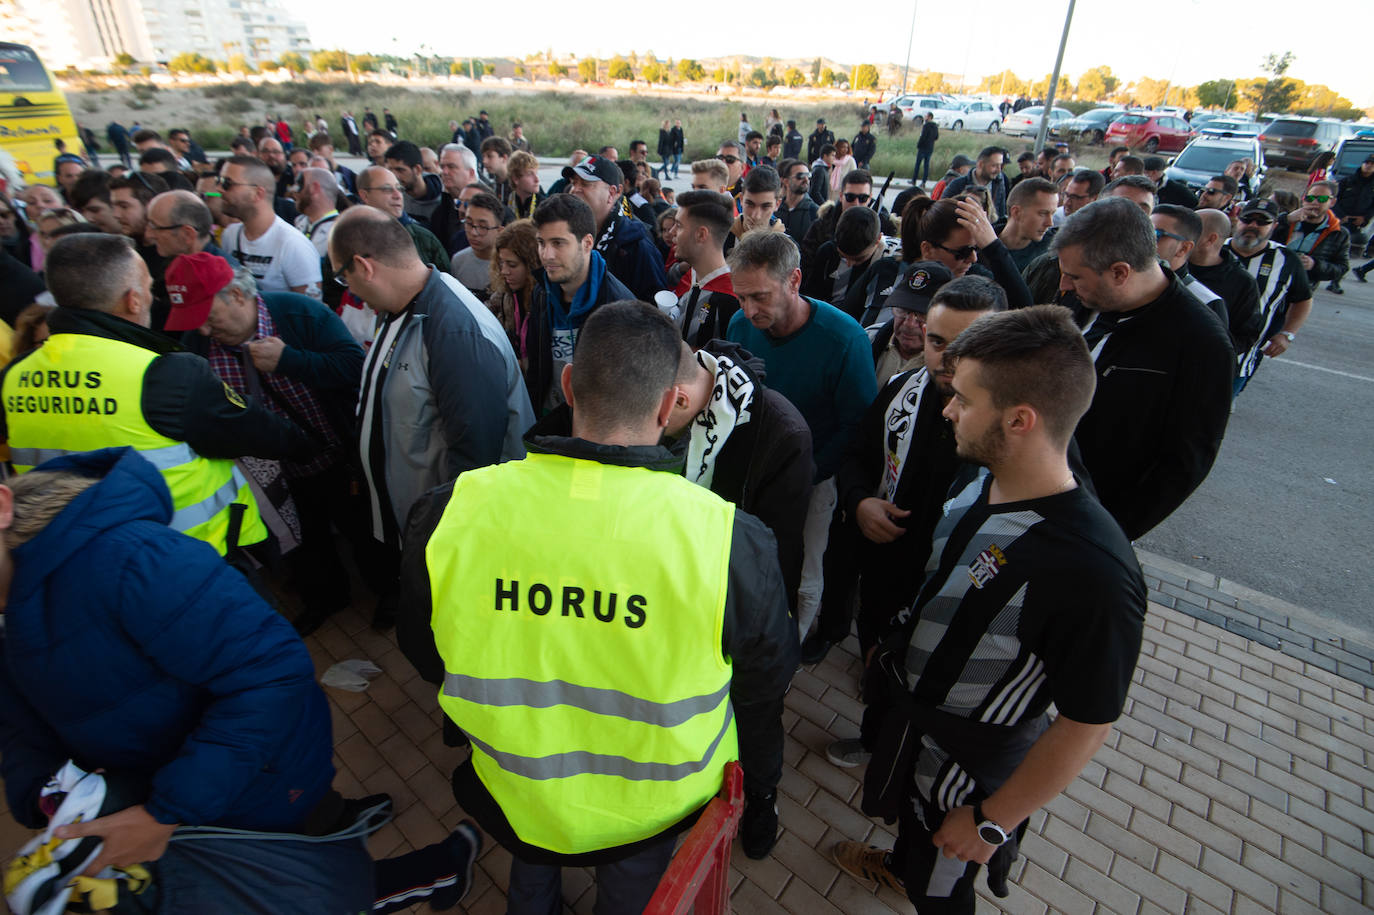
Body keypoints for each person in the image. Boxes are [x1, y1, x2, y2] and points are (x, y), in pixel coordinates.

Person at [395, 302, 798, 908]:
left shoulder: (450, 511)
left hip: (516, 786)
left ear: (567, 385)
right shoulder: (730, 540)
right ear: (669, 405)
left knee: (532, 869)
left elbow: (424, 652)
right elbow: (766, 681)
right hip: (651, 808)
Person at [832, 305, 1145, 915]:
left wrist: (991, 822)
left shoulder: (1092, 571)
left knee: (945, 894)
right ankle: (900, 867)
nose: (946, 408)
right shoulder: (980, 478)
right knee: (918, 844)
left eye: (965, 400)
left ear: (1021, 419)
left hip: (968, 779)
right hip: (919, 743)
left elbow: (1087, 722)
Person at [0, 234, 311, 557]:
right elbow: (256, 431)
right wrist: (304, 446)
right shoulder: (163, 374)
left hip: (75, 558)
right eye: (148, 288)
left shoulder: (16, 374)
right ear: (133, 300)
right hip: (185, 558)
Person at [331, 207, 529, 626]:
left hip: (447, 533)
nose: (345, 287)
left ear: (364, 266)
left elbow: (477, 459)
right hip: (420, 521)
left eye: (342, 275)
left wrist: (449, 545)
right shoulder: (405, 306)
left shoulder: (453, 329)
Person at [804, 271, 1002, 682]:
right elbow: (859, 452)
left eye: (968, 347)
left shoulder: (1012, 429)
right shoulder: (902, 390)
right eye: (938, 342)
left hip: (949, 590)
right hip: (883, 570)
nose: (948, 359)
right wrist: (859, 500)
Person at [163, 254, 366, 634]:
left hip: (337, 458)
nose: (204, 331)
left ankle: (384, 593)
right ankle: (324, 600)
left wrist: (290, 360)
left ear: (238, 295)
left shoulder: (299, 313)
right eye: (196, 323)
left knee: (361, 532)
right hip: (272, 477)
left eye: (209, 318)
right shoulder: (195, 347)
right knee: (307, 544)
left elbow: (355, 368)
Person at [726, 229, 878, 639]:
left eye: (759, 296)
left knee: (806, 568)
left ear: (794, 280)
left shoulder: (844, 339)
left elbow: (857, 426)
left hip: (814, 477)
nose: (748, 309)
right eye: (741, 297)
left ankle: (790, 650)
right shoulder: (739, 324)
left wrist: (806, 472)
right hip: (753, 472)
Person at [1053, 197, 1234, 539]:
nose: (1064, 286)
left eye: (1074, 276)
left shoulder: (1201, 344)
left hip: (1088, 522)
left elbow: (1183, 463)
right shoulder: (1089, 300)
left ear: (1120, 272)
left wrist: (1108, 533)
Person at [523, 194, 635, 412]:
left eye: (558, 243)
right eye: (541, 243)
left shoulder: (619, 305)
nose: (547, 255)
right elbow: (536, 370)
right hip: (547, 425)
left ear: (587, 243)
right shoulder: (541, 293)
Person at [1226, 198, 1313, 396]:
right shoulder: (1214, 249)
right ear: (1237, 219)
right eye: (1248, 219)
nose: (1253, 226)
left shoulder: (1286, 260)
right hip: (1195, 351)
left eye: (1262, 222)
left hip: (1242, 359)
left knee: (1211, 418)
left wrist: (1287, 334)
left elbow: (1303, 299)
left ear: (1274, 226)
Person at [565, 155, 669, 301]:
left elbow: (653, 313)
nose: (575, 190)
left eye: (585, 183)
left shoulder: (637, 246)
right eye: (574, 182)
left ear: (613, 193)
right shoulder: (568, 235)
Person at [219, 155, 322, 299]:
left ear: (258, 193)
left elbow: (310, 312)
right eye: (220, 181)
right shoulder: (229, 235)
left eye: (226, 183)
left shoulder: (294, 245)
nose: (220, 189)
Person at [902, 196, 1032, 309]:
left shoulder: (975, 278)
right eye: (962, 252)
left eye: (976, 249)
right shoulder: (891, 273)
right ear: (927, 249)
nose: (973, 258)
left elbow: (1023, 310)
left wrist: (994, 246)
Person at [1188, 208, 1262, 360]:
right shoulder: (1172, 266)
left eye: (1191, 230)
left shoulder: (1242, 282)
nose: (1182, 235)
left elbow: (1246, 334)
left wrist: (1210, 355)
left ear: (1210, 239)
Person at [670, 190, 740, 348]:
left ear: (701, 234)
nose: (671, 232)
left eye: (679, 226)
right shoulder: (691, 278)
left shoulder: (733, 299)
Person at [356, 165, 452, 274]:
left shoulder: (424, 239)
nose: (397, 195)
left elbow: (444, 284)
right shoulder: (348, 237)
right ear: (364, 195)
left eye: (399, 189)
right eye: (387, 189)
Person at [1276, 179, 1349, 294]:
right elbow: (1259, 239)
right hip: (1272, 280)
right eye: (1310, 198)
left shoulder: (1338, 233)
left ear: (1332, 202)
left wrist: (1315, 265)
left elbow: (1341, 268)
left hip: (1302, 289)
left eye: (1322, 199)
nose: (1314, 203)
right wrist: (1285, 220)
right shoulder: (1286, 221)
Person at [487, 219, 540, 372]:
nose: (504, 271)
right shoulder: (504, 296)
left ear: (532, 264)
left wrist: (521, 365)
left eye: (512, 265)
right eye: (501, 263)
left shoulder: (546, 301)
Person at [450, 191, 507, 299]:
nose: (473, 232)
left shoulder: (507, 266)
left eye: (483, 227)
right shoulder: (458, 261)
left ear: (500, 231)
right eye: (469, 223)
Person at [998, 177, 1059, 271]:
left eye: (1052, 214)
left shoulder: (1053, 251)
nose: (1050, 223)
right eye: (1043, 213)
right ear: (1016, 212)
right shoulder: (979, 247)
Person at [433, 143, 481, 256]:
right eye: (442, 166)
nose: (444, 172)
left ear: (471, 173)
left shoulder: (494, 209)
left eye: (451, 167)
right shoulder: (440, 211)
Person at [384, 140, 444, 228]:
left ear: (417, 169)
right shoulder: (389, 197)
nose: (394, 176)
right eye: (390, 170)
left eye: (400, 170)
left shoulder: (445, 198)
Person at [942, 146, 1010, 221]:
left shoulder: (999, 184)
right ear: (980, 164)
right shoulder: (957, 184)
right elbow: (941, 211)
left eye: (1000, 165)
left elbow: (1001, 215)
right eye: (994, 165)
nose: (999, 170)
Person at [289, 167, 341, 258]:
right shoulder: (299, 222)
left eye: (299, 187)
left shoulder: (340, 230)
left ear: (314, 188)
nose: (294, 193)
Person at [1336, 155, 1374, 276]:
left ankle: (1336, 280)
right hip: (1340, 221)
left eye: (1372, 164)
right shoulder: (1347, 180)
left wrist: (1365, 218)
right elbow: (1334, 200)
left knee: (1346, 252)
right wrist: (1340, 215)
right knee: (1334, 248)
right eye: (1367, 162)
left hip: (1357, 223)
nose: (1368, 166)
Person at [774, 158, 820, 243]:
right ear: (786, 181)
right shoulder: (775, 209)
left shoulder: (815, 212)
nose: (806, 180)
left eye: (808, 176)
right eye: (800, 176)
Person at [480, 136, 514, 205]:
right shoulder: (491, 186)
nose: (484, 161)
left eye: (490, 156)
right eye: (483, 156)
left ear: (504, 158)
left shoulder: (517, 186)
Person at [914, 114, 938, 186]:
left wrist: (919, 145)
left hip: (923, 148)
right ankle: (924, 182)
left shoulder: (926, 126)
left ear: (929, 117)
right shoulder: (935, 126)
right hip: (930, 147)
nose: (925, 117)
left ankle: (914, 180)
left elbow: (923, 137)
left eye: (926, 116)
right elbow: (936, 137)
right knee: (926, 165)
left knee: (918, 164)